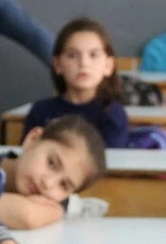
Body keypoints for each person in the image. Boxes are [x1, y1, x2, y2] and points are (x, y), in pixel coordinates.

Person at [0, 113, 108, 231]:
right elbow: (27, 216)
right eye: (51, 163)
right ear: (33, 140)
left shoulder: (54, 201)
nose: (48, 183)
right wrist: (55, 212)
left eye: (64, 185)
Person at [26, 17, 131, 149]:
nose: (83, 63)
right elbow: (27, 158)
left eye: (93, 55)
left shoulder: (113, 115)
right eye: (72, 55)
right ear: (57, 65)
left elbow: (107, 166)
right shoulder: (41, 112)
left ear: (108, 66)